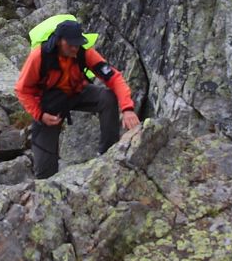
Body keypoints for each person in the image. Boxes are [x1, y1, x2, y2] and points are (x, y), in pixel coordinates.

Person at [14, 17, 140, 179]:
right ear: (59, 41)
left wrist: (127, 108)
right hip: (49, 107)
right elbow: (22, 90)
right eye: (71, 44)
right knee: (45, 172)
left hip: (76, 92)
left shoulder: (83, 52)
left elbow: (114, 78)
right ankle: (49, 183)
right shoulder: (39, 56)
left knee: (107, 97)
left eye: (78, 43)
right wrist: (40, 115)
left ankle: (108, 154)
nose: (75, 48)